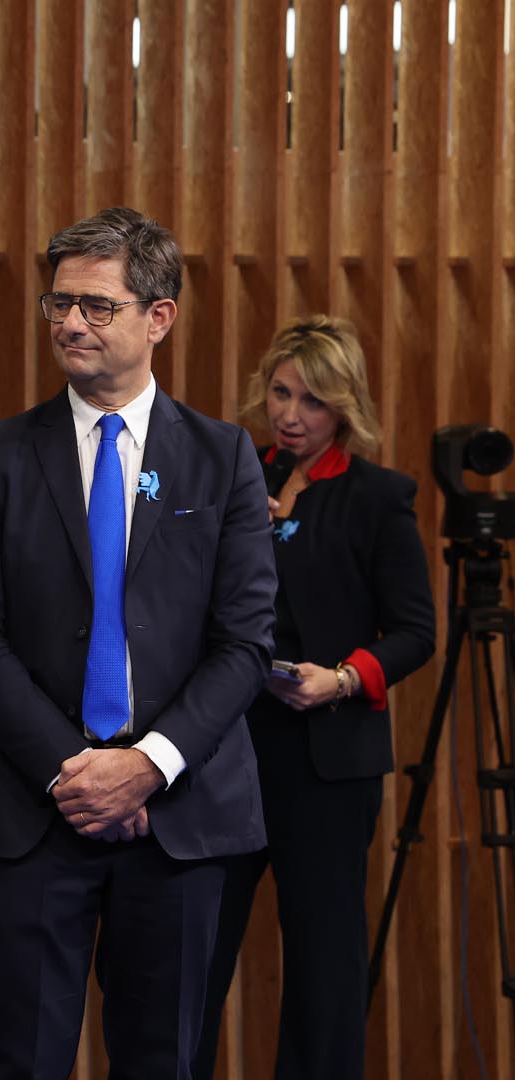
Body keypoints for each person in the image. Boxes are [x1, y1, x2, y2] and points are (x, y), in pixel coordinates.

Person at [0, 207, 278, 1077]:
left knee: (163, 1058)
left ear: (159, 317)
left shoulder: (223, 457)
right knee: (23, 1058)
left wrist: (147, 766)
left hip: (178, 815)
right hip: (34, 808)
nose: (71, 323)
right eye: (59, 304)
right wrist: (75, 772)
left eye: (97, 305)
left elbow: (244, 643)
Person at [194, 316, 435, 1079]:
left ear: (344, 407)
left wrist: (344, 677)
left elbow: (415, 631)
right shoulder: (234, 481)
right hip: (229, 752)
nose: (290, 415)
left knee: (324, 965)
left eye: (313, 401)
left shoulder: (378, 498)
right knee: (195, 950)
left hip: (326, 761)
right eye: (280, 393)